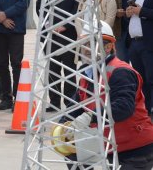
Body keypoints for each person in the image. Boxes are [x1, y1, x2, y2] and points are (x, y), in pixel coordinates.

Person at [59, 21, 153, 170]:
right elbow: (76, 105)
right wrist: (61, 125)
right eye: (85, 44)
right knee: (74, 154)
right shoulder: (87, 74)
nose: (86, 49)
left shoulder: (120, 72)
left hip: (133, 151)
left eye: (92, 44)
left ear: (108, 47)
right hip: (110, 145)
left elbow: (123, 107)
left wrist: (90, 116)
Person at [36, 0, 82, 112]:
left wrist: (65, 25)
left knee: (69, 69)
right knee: (53, 70)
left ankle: (70, 102)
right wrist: (49, 26)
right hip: (50, 36)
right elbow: (40, 8)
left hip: (69, 35)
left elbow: (78, 8)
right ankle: (54, 102)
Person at [126, 0, 153, 116]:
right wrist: (129, 11)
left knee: (151, 79)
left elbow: (145, 13)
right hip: (134, 44)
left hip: (149, 44)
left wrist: (141, 11)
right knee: (140, 81)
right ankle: (145, 111)